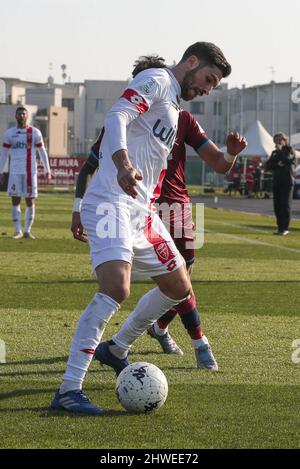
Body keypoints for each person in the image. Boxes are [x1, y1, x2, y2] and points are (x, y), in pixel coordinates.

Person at [51, 42, 244, 415]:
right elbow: (117, 115)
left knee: (178, 285)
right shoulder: (156, 79)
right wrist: (123, 164)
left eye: (214, 85)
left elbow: (221, 165)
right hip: (111, 201)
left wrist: (233, 152)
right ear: (191, 62)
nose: (207, 89)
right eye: (208, 79)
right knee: (116, 288)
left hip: (143, 212)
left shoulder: (175, 106)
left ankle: (116, 348)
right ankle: (69, 389)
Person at [0, 107, 51, 239]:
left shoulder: (34, 132)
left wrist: (48, 170)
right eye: (19, 113)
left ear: (27, 116)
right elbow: (4, 154)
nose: (21, 115)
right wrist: (1, 171)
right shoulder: (10, 133)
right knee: (15, 200)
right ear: (16, 116)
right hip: (15, 172)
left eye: (24, 113)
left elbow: (42, 151)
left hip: (30, 172)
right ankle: (18, 231)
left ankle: (28, 231)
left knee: (30, 201)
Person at [266, 133, 296, 235]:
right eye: (276, 141)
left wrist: (279, 152)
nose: (278, 142)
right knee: (277, 205)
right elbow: (268, 165)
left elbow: (287, 160)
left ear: (285, 140)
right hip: (277, 182)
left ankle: (285, 228)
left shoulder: (290, 150)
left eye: (280, 140)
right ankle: (280, 227)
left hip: (287, 182)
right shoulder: (274, 152)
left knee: (285, 204)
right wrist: (277, 164)